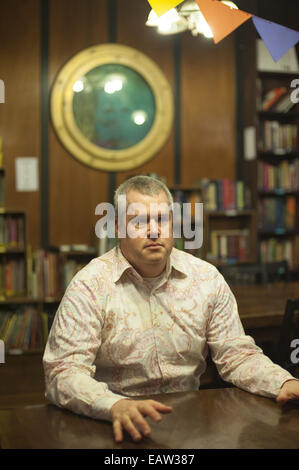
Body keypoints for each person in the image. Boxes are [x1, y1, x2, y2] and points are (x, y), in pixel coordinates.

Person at [43, 175, 299, 444]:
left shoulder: (205, 278)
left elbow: (236, 356)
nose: (154, 231)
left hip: (191, 423)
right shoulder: (90, 285)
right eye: (139, 222)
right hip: (112, 423)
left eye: (162, 220)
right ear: (118, 227)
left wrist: (282, 382)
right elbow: (63, 372)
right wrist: (113, 405)